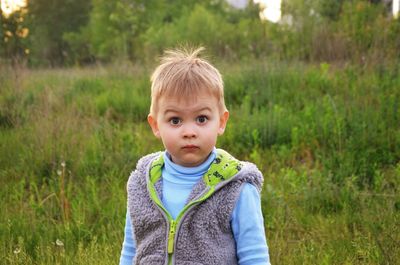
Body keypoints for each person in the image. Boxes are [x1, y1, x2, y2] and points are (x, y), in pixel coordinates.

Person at [119, 47, 270, 265]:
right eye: (175, 120)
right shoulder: (143, 183)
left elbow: (255, 257)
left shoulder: (236, 187)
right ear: (155, 125)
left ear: (221, 121)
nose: (189, 131)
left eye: (201, 119)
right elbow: (131, 248)